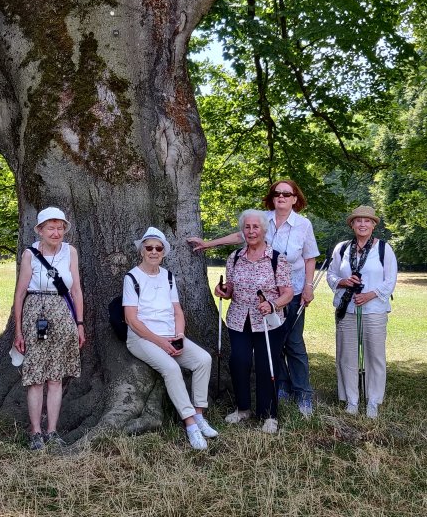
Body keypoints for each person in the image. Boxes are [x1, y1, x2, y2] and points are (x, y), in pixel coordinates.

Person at [188, 180, 319, 415]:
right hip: (254, 298)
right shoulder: (261, 218)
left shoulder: (303, 224)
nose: (281, 197)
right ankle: (280, 387)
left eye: (286, 194)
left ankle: (303, 394)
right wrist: (209, 244)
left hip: (293, 290)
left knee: (294, 344)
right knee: (272, 348)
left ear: (294, 198)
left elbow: (310, 257)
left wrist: (308, 286)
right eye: (277, 193)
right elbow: (241, 236)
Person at [123, 227, 218, 450]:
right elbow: (131, 319)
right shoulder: (132, 277)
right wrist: (161, 342)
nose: (154, 252)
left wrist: (180, 336)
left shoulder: (168, 277)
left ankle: (199, 414)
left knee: (203, 360)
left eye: (158, 248)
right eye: (149, 248)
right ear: (142, 251)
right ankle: (190, 424)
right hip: (141, 338)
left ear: (163, 252)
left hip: (170, 336)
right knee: (171, 368)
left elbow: (177, 311)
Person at [214, 210, 294, 433]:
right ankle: (242, 408)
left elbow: (288, 292)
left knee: (266, 364)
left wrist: (273, 304)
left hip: (268, 321)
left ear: (263, 230)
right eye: (247, 227)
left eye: (255, 227)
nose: (251, 231)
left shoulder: (277, 258)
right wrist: (222, 290)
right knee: (238, 361)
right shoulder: (235, 257)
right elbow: (230, 289)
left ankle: (269, 414)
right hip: (239, 319)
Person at [13, 207, 85, 451]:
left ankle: (52, 431)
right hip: (36, 313)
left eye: (60, 227)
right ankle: (35, 432)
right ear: (40, 230)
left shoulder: (70, 252)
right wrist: (18, 331)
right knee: (36, 377)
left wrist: (80, 324)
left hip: (64, 314)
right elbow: (20, 293)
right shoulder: (30, 254)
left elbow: (76, 291)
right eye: (51, 228)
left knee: (56, 377)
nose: (56, 232)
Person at [326, 205, 397, 419]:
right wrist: (343, 281)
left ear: (374, 224)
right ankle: (352, 400)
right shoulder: (342, 248)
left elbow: (390, 280)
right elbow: (330, 274)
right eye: (358, 221)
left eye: (367, 221)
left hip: (374, 310)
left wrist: (370, 294)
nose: (362, 224)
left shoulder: (384, 249)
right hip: (347, 309)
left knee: (375, 356)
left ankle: (373, 401)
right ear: (352, 224)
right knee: (347, 356)